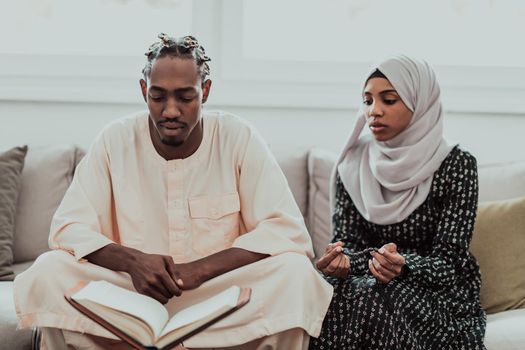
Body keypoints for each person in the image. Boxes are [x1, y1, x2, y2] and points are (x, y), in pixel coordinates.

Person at [14, 33, 333, 350]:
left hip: (218, 297)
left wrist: (201, 270)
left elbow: (285, 230)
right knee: (49, 270)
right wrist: (133, 262)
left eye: (185, 97)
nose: (170, 111)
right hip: (131, 296)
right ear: (143, 91)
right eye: (158, 96)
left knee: (295, 273)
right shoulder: (115, 139)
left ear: (205, 91)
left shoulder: (237, 137)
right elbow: (68, 229)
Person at [309, 56, 486, 349]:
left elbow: (449, 263)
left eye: (389, 100)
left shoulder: (457, 164)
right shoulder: (353, 165)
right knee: (328, 293)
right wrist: (342, 262)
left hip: (435, 290)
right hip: (367, 282)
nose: (373, 111)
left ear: (421, 103)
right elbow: (350, 243)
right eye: (367, 101)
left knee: (372, 298)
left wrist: (404, 266)